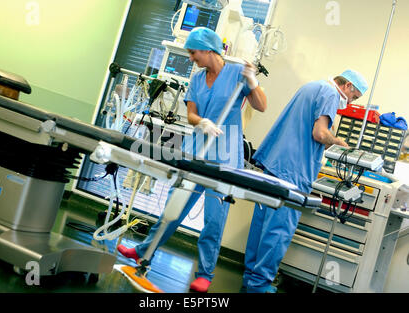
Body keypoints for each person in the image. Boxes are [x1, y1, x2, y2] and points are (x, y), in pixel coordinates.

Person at [117, 27, 267, 293]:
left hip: (224, 157)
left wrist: (253, 82)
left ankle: (205, 275)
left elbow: (261, 106)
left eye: (193, 52)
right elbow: (192, 115)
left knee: (213, 220)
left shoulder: (236, 73)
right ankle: (143, 252)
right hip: (197, 150)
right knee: (173, 209)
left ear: (208, 50)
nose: (191, 57)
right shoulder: (197, 79)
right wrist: (203, 122)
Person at [242, 69, 368, 293]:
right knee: (278, 231)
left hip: (275, 163)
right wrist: (338, 142)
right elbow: (320, 134)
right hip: (293, 170)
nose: (350, 102)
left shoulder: (312, 86)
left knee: (261, 225)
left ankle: (251, 279)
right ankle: (259, 285)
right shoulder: (330, 93)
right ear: (348, 86)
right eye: (354, 96)